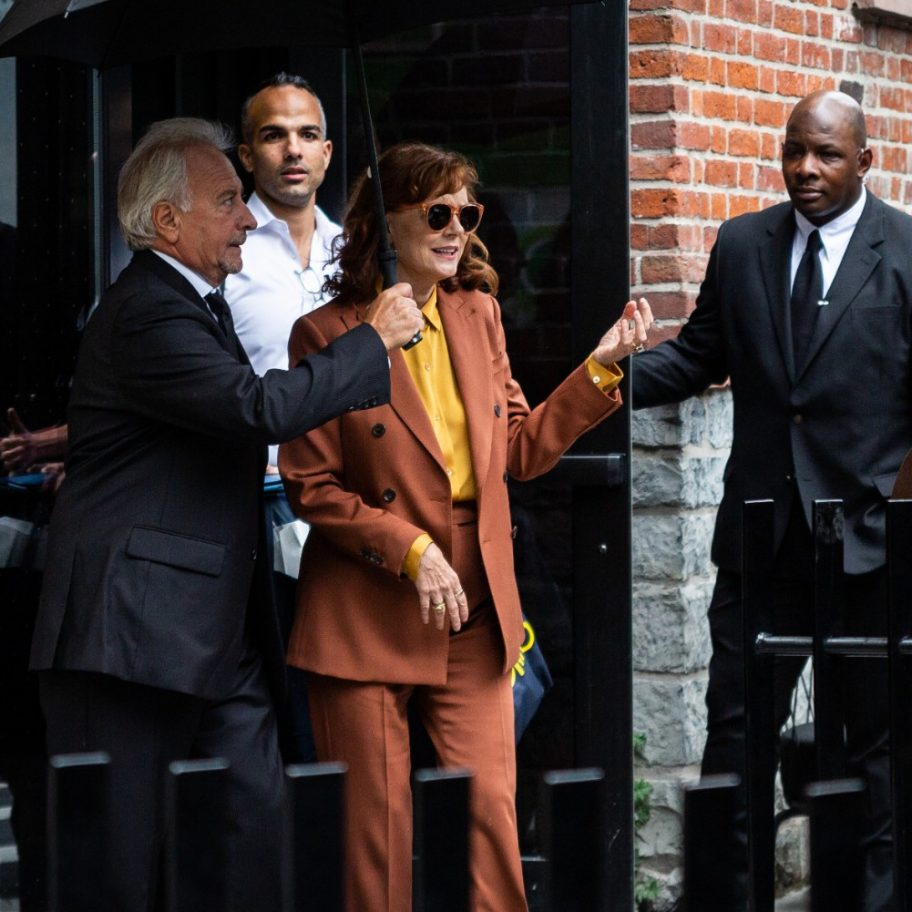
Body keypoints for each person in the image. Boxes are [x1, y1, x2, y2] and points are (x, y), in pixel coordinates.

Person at [29, 117, 423, 912]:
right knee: (116, 869)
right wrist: (370, 339)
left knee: (253, 829)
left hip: (207, 627)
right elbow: (255, 408)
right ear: (167, 221)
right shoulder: (147, 309)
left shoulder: (193, 302)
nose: (247, 217)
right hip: (129, 635)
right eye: (226, 201)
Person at [279, 141, 653, 912]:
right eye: (437, 213)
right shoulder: (327, 332)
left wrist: (600, 368)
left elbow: (519, 451)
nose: (457, 229)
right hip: (367, 609)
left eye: (467, 213)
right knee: (375, 844)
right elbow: (310, 483)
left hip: (472, 609)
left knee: (489, 821)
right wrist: (411, 549)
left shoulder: (477, 315)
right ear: (385, 224)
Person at [632, 90, 909, 911]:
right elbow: (696, 358)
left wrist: (897, 518)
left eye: (826, 155)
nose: (805, 169)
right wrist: (599, 380)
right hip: (762, 541)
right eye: (794, 151)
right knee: (736, 737)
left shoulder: (905, 251)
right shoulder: (742, 243)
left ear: (865, 162)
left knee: (876, 752)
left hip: (871, 547)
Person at [224, 73, 340, 760]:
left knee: (339, 691)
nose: (292, 149)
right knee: (281, 695)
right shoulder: (222, 253)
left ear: (327, 151)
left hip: (347, 499)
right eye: (273, 135)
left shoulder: (355, 251)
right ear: (246, 155)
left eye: (306, 134)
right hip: (261, 498)